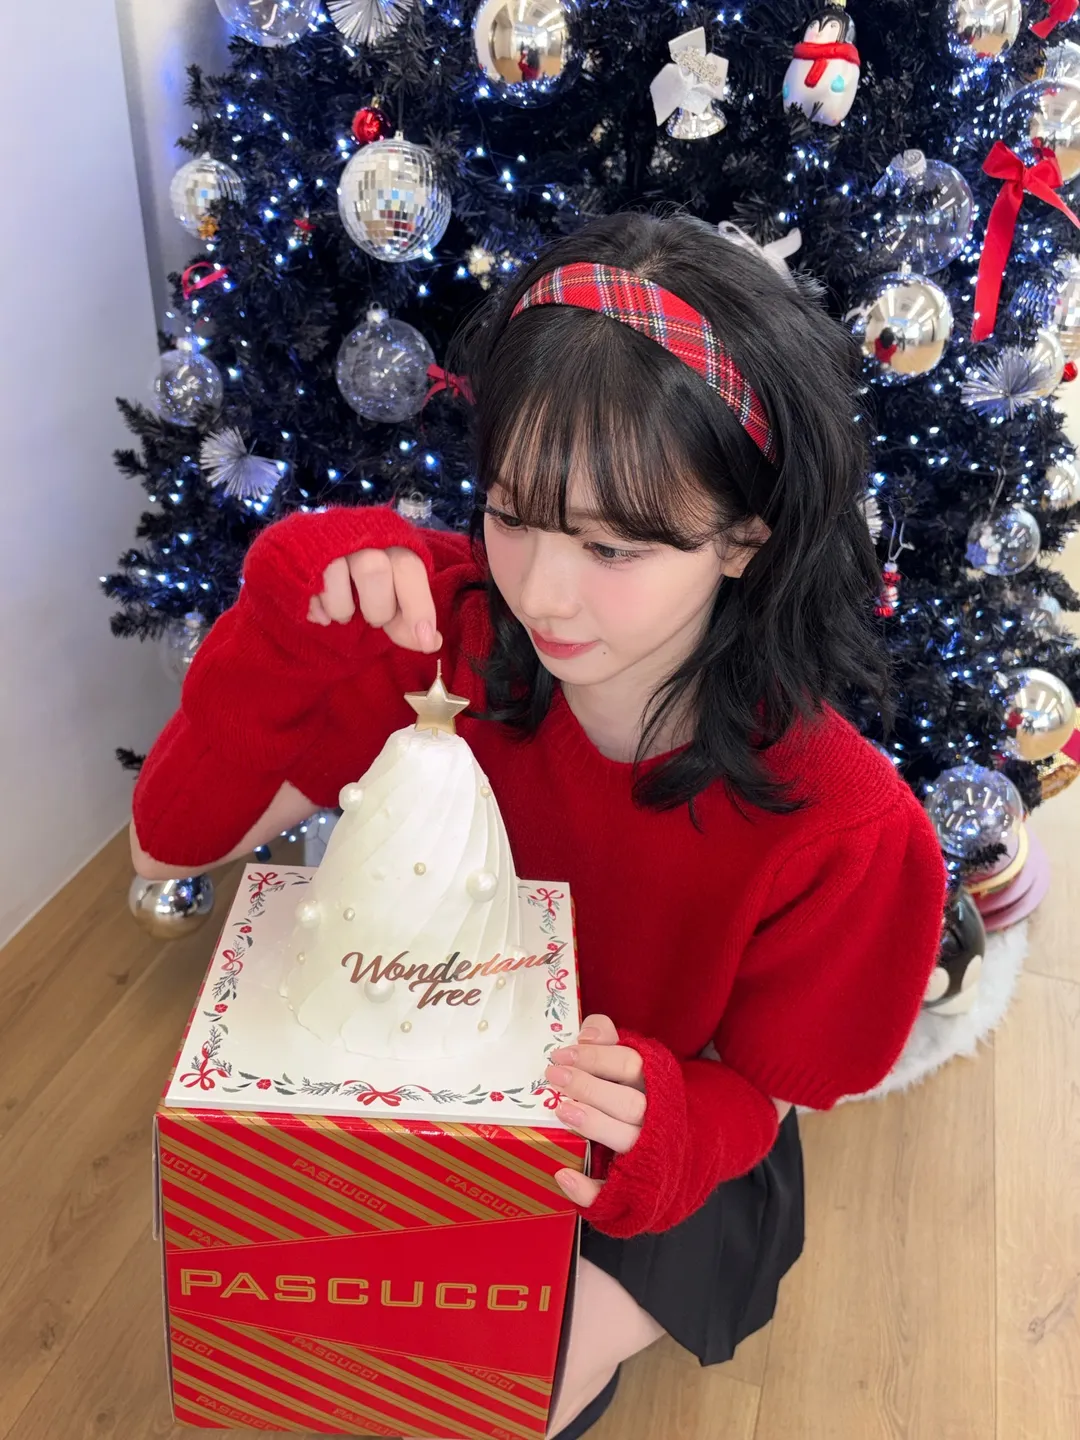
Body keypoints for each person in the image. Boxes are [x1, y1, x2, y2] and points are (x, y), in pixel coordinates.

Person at [131, 209, 949, 1440]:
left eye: (614, 547)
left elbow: (764, 1094)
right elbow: (173, 845)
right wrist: (287, 617)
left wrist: (661, 1126)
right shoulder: (438, 630)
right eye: (512, 513)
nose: (543, 591)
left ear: (747, 538)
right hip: (426, 1073)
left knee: (482, 1388)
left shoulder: (837, 823)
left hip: (655, 1137)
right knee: (318, 1338)